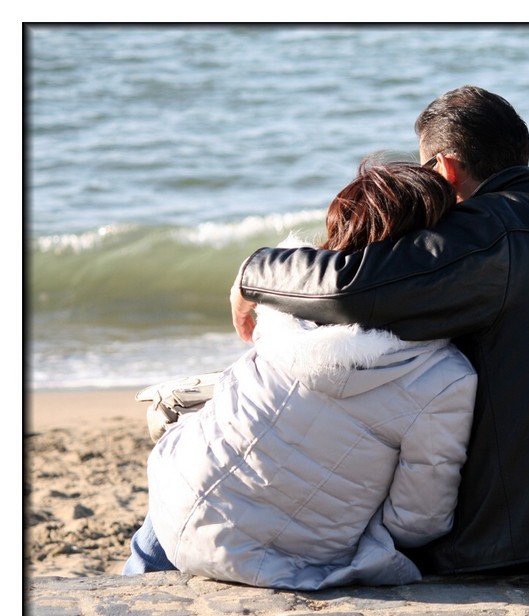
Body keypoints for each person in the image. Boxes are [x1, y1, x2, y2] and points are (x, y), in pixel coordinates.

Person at [229, 85, 529, 574]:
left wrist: (252, 272)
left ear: (444, 169)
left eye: (428, 172)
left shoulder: (486, 230)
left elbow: (348, 286)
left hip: (528, 535)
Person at [123, 158, 478, 590]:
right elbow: (418, 521)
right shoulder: (443, 378)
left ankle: (137, 579)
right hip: (285, 556)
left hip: (179, 503)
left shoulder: (282, 301)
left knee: (187, 484)